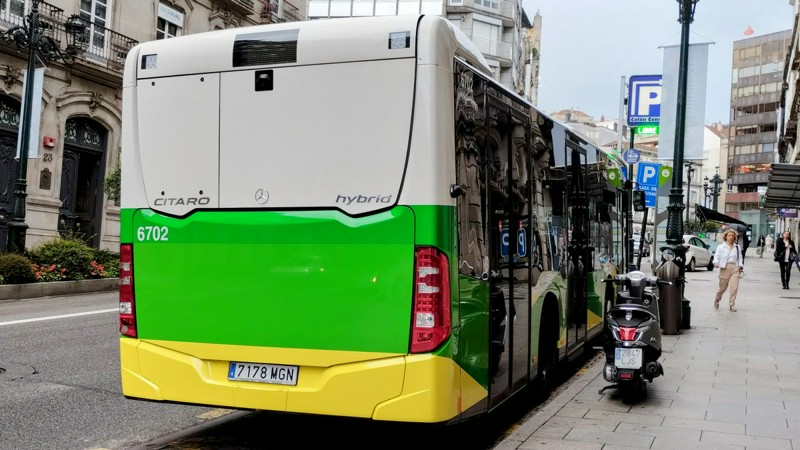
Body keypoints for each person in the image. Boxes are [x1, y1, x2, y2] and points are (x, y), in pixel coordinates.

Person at [713, 229, 744, 312]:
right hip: (724, 267)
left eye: (733, 236)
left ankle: (732, 304)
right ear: (725, 236)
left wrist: (740, 265)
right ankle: (717, 299)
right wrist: (716, 262)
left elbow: (740, 257)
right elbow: (717, 255)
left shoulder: (737, 247)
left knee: (734, 287)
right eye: (729, 235)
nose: (731, 237)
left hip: (735, 267)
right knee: (722, 288)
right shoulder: (721, 246)